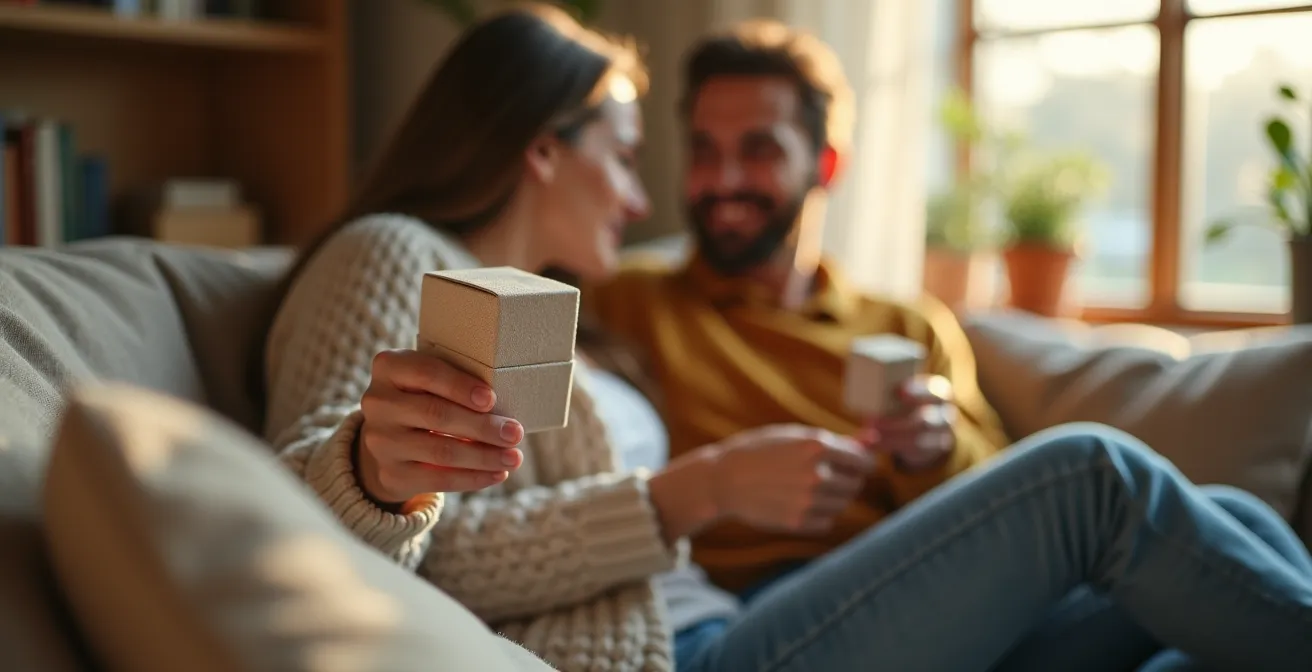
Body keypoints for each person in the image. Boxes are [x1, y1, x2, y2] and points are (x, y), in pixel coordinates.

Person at [262, 5, 1312, 671]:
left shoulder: (890, 323)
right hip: (705, 637)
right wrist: (705, 488)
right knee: (1096, 476)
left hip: (799, 609)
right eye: (645, 157)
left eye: (754, 149)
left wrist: (931, 446)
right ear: (543, 152)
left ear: (825, 165)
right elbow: (344, 500)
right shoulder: (483, 272)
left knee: (1220, 534)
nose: (649, 197)